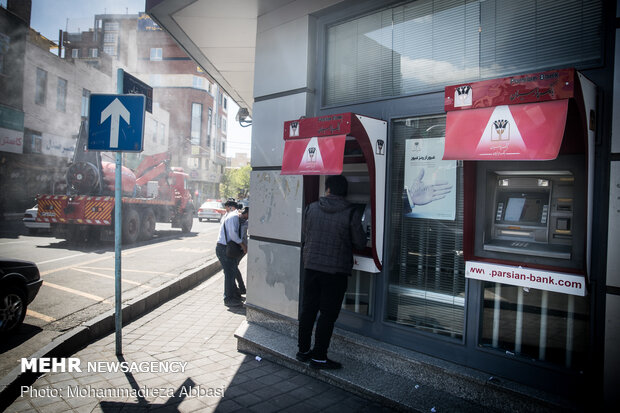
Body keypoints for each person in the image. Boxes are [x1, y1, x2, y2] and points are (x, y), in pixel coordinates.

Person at [297, 175, 367, 369]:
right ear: (344, 192)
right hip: (335, 272)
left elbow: (306, 233)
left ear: (327, 189)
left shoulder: (311, 208)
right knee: (327, 315)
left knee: (308, 310)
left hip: (311, 267)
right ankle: (319, 357)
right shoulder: (351, 212)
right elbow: (360, 242)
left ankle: (303, 351)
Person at [216, 199, 244, 307]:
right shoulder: (233, 216)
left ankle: (234, 295)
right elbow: (232, 234)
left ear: (231, 207)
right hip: (225, 248)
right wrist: (243, 245)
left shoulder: (228, 215)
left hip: (223, 247)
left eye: (226, 207)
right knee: (229, 274)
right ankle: (228, 299)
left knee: (231, 272)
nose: (225, 209)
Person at [235, 206, 249, 294]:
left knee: (234, 266)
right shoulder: (237, 220)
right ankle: (241, 288)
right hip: (238, 246)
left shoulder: (246, 222)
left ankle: (241, 288)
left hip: (242, 247)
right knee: (234, 267)